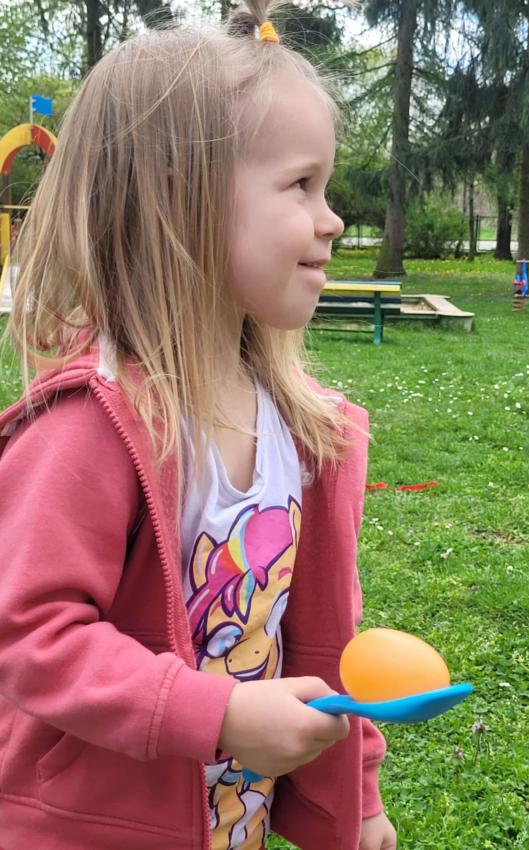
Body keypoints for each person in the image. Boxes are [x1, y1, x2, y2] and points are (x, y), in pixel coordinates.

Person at [0, 2, 396, 848]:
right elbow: (28, 634)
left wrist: (358, 794)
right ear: (185, 201)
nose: (332, 218)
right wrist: (217, 713)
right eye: (301, 185)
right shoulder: (92, 427)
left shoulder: (301, 432)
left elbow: (326, 636)